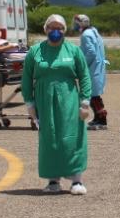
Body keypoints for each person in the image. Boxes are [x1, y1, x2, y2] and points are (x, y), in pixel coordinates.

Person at [23, 14, 93, 195]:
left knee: (72, 136)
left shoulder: (73, 51)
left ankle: (76, 179)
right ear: (45, 30)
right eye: (52, 27)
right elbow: (26, 78)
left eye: (60, 28)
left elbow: (84, 76)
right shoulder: (35, 52)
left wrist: (85, 102)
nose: (56, 31)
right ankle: (53, 180)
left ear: (65, 30)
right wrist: (29, 103)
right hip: (44, 100)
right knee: (49, 138)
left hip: (69, 99)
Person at [74, 13, 109, 130]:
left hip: (92, 68)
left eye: (76, 23)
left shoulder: (86, 35)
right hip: (97, 67)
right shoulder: (93, 31)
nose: (74, 25)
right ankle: (97, 118)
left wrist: (83, 65)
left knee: (94, 95)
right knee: (93, 94)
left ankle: (102, 121)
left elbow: (91, 52)